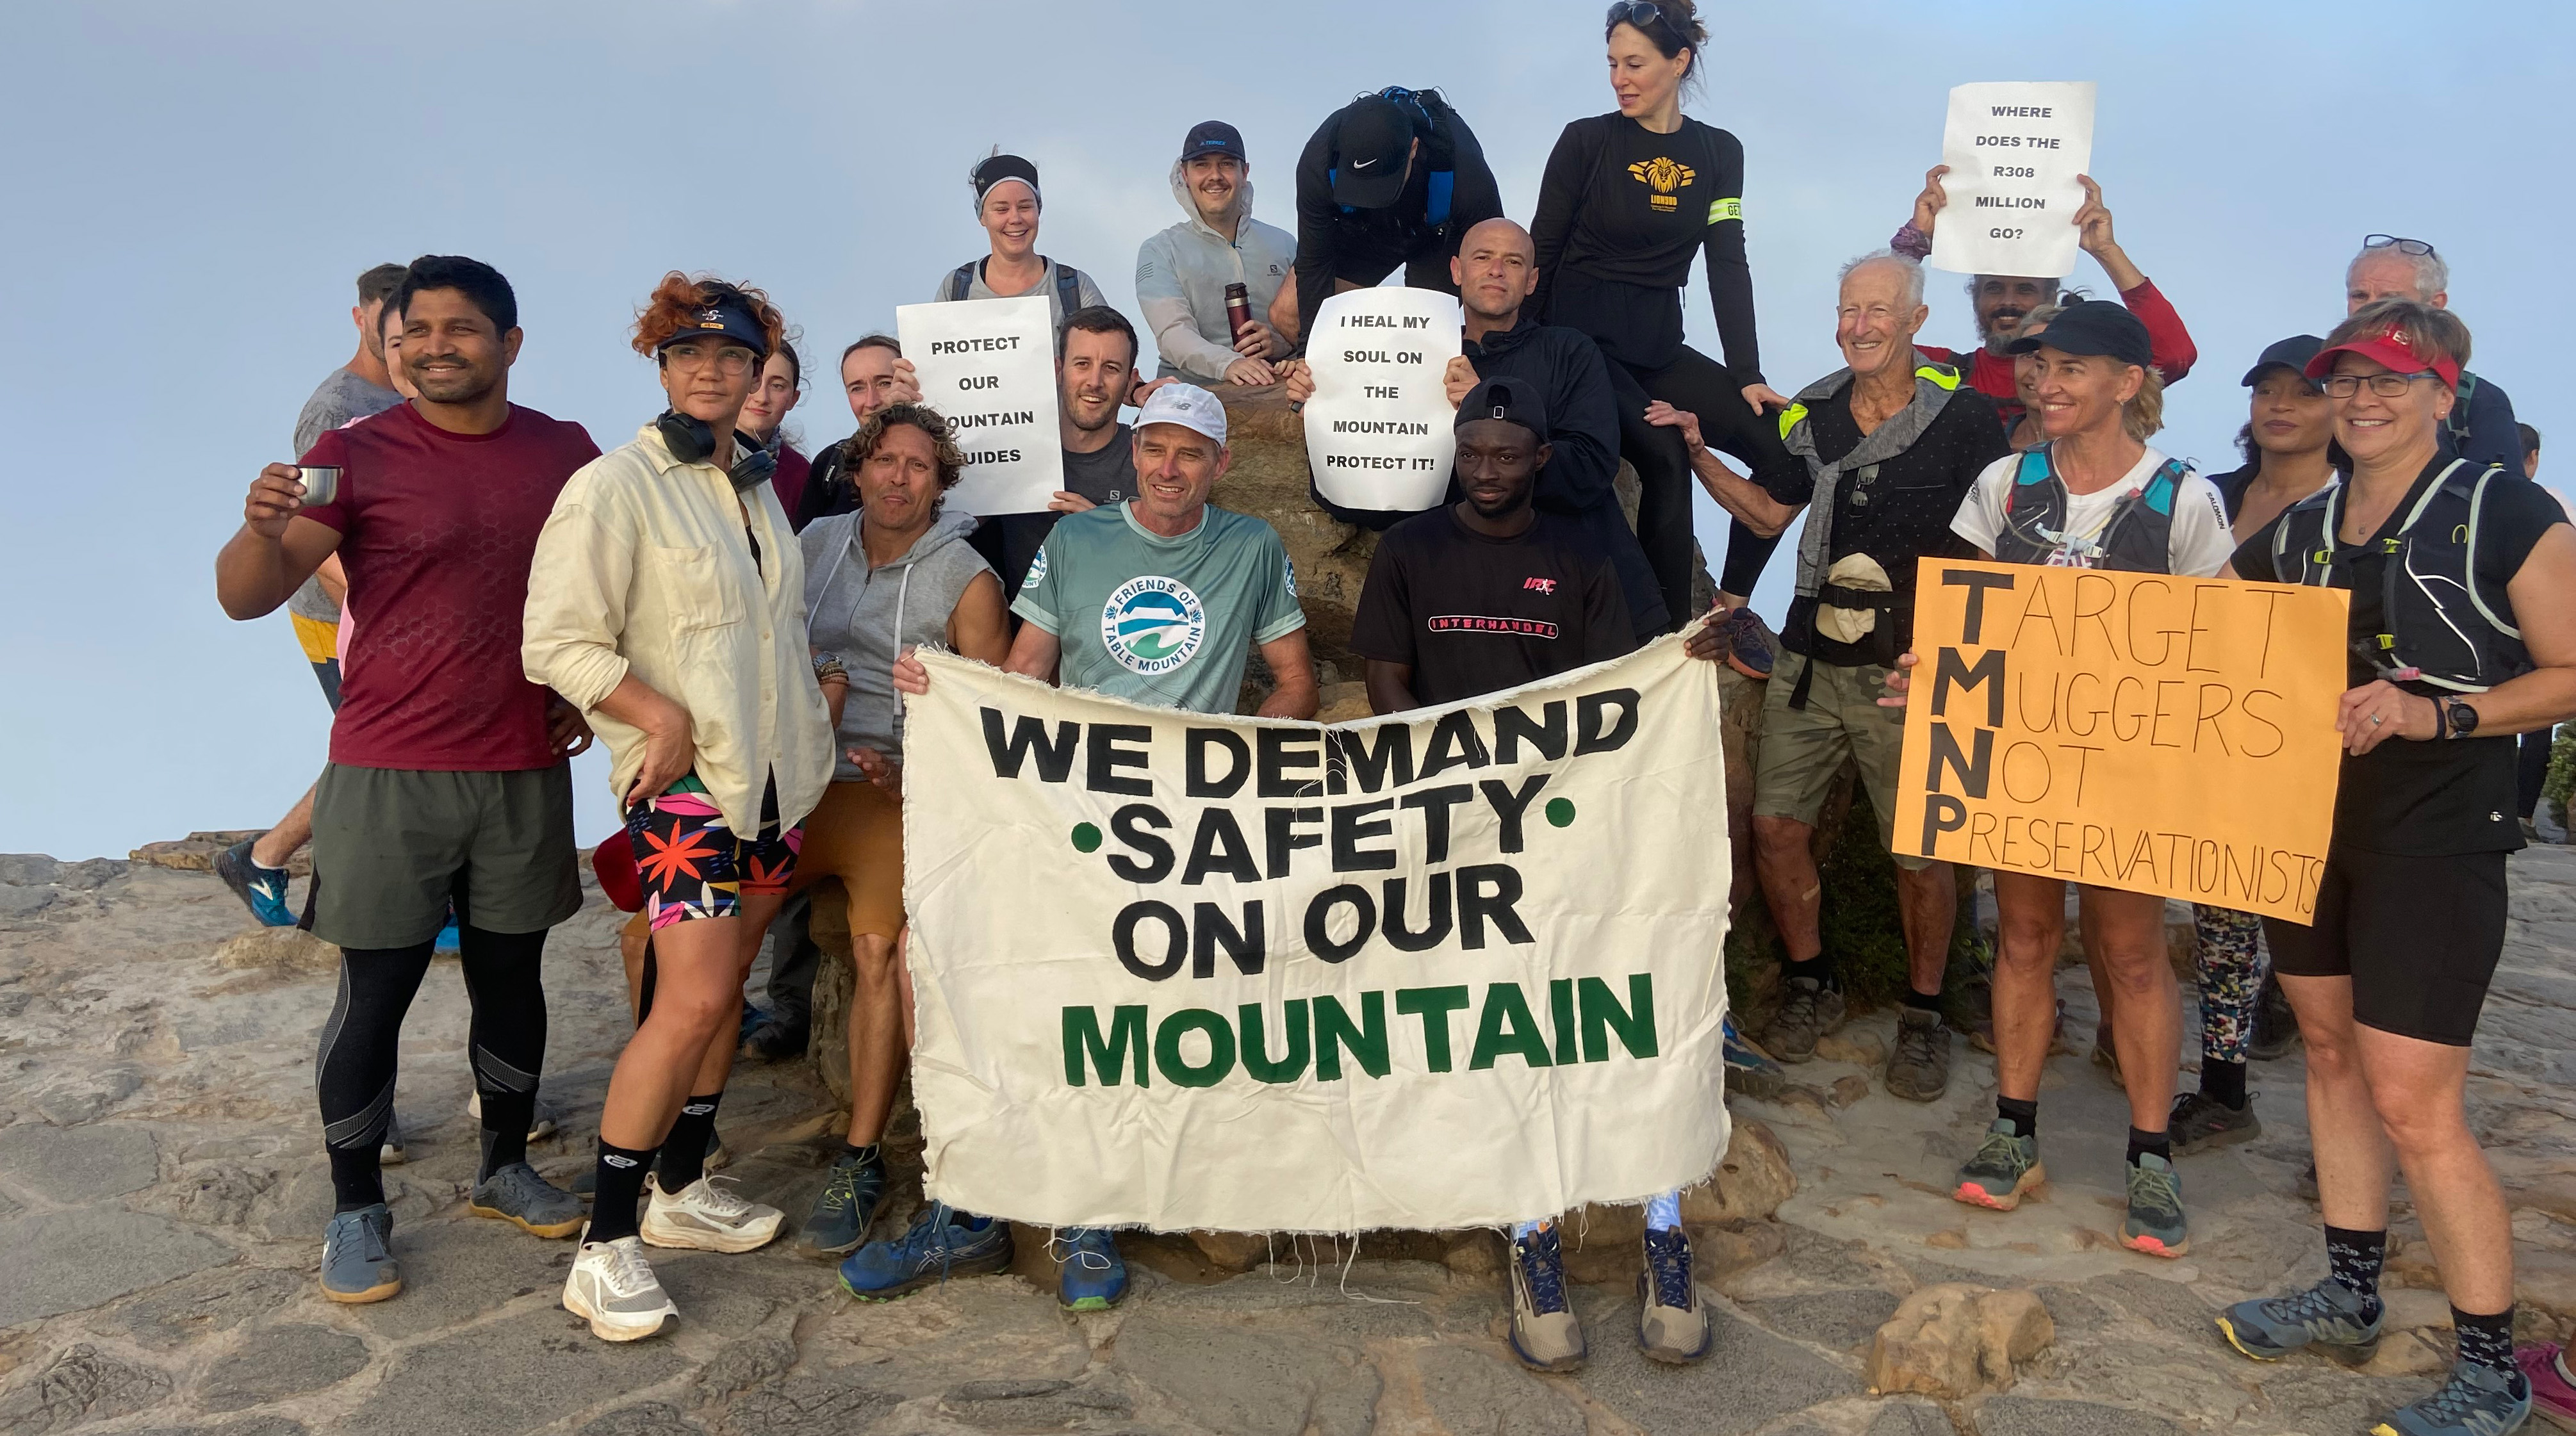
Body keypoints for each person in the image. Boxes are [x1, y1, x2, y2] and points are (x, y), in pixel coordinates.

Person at [846, 383, 1318, 1310]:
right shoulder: (1078, 541)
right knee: (930, 956)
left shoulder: (1251, 546)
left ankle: (1086, 1213)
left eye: (1190, 453)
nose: (1169, 469)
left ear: (1221, 465)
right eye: (1156, 450)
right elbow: (1027, 668)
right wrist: (952, 693)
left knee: (1115, 987)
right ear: (1133, 454)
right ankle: (966, 1199)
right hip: (1065, 799)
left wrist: (1239, 761)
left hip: (1184, 821)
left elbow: (1295, 679)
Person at [2213, 299, 2576, 1436]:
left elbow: (2569, 674)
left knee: (2417, 1103)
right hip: (2309, 824)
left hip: (2436, 829)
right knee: (2326, 1053)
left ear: (2444, 392)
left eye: (2390, 380)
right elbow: (2175, 631)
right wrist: (1983, 661)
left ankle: (2489, 1367)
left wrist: (2438, 716)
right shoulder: (2304, 524)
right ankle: (2350, 1291)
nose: (2363, 399)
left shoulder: (2501, 509)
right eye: (2347, 381)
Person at [213, 255, 600, 1305]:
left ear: (510, 344)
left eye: (462, 328)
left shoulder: (566, 453)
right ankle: (355, 1210)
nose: (436, 345)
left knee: (511, 982)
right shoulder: (353, 452)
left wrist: (588, 691)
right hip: (387, 768)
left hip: (520, 766)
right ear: (394, 339)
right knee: (374, 993)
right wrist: (257, 530)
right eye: (417, 328)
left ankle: (503, 1166)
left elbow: (609, 582)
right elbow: (247, 598)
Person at [1349, 375, 1710, 1369]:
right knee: (1496, 1025)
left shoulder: (1580, 549)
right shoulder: (1409, 549)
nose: (1489, 471)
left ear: (1541, 461)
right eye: (1474, 454)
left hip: (1564, 818)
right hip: (1448, 822)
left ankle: (1665, 1225)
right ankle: (1531, 1233)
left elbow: (1610, 688)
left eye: (1508, 455)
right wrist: (1435, 781)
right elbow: (1387, 675)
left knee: (1622, 1005)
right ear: (1455, 454)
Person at [1883, 301, 2235, 1259]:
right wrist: (1930, 667)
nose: (2044, 385)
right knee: (2027, 938)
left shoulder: (2184, 498)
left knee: (2130, 953)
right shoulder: (2006, 482)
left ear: (2129, 382)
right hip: (2020, 755)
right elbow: (1966, 612)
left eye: (2070, 369)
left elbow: (2226, 641)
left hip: (2129, 763)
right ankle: (2014, 1130)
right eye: (2037, 368)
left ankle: (2151, 1155)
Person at [523, 274, 836, 1342]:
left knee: (724, 985)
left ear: (758, 372)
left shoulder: (752, 490)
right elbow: (557, 642)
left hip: (776, 783)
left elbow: (763, 640)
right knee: (694, 1003)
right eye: (688, 349)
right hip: (686, 790)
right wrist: (652, 716)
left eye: (732, 351)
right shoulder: (614, 486)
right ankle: (604, 1243)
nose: (711, 365)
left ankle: (681, 1183)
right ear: (658, 365)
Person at [1657, 252, 2006, 1101]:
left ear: (1916, 323)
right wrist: (1699, 451)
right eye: (1848, 309)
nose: (1858, 325)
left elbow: (2000, 545)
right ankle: (1814, 979)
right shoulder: (1814, 410)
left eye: (1877, 310)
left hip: (1912, 669)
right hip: (1811, 660)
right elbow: (1770, 511)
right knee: (1777, 828)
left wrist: (1964, 656)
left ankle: (1924, 1012)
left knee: (1919, 853)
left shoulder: (1968, 422)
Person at [785, 404, 1012, 1271]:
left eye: (919, 466)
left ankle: (860, 1157)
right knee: (704, 923)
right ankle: (686, 1141)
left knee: (882, 949)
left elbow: (990, 718)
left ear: (941, 480)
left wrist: (914, 763)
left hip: (891, 790)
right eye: (884, 460)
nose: (898, 478)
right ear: (858, 467)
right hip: (799, 780)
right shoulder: (812, 545)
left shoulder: (966, 576)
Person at [1530, 0, 1800, 658]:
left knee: (1788, 451)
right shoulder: (1586, 140)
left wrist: (1748, 374)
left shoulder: (1716, 152)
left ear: (1678, 63)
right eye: (1613, 64)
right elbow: (1542, 248)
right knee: (1666, 452)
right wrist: (1520, 360)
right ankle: (1663, 640)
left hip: (1656, 344)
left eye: (1635, 64)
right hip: (1580, 346)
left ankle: (1729, 610)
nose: (1619, 78)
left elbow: (1726, 260)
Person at [1283, 216, 1666, 637]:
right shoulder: (1403, 360)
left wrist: (1487, 412)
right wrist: (1326, 415)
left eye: (1513, 262)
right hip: (1470, 608)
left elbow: (1590, 470)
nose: (1497, 270)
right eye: (1483, 257)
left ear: (1532, 280)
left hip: (1582, 597)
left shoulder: (1568, 351)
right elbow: (1360, 506)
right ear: (1456, 271)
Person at [2153, 336, 2344, 1154]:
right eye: (2265, 391)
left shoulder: (2362, 509)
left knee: (2330, 944)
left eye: (2300, 393)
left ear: (2339, 407)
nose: (2277, 406)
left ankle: (2359, 1129)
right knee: (2222, 923)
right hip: (2212, 742)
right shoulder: (2209, 497)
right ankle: (2224, 1088)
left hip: (2327, 752)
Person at [215, 261, 412, 928]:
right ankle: (268, 859)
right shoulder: (337, 411)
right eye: (392, 327)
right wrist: (383, 606)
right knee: (379, 745)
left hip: (405, 605)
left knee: (390, 741)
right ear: (362, 319)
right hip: (339, 612)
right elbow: (319, 532)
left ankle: (284, 869)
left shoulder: (416, 393)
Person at [1892, 167, 2199, 432]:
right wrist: (1912, 245)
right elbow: (1868, 336)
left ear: (2052, 297)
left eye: (2026, 289)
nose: (2008, 302)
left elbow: (2174, 356)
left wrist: (2106, 250)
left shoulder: (2094, 374)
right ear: (1975, 296)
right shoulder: (1943, 372)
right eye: (1994, 288)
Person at [1291, 86, 1504, 352]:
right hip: (1365, 230)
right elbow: (1314, 262)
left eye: (1380, 184)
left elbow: (1495, 263)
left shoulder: (1469, 177)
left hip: (1437, 238)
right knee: (1290, 316)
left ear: (1414, 148)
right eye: (1361, 185)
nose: (1371, 196)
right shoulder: (1318, 162)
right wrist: (1307, 355)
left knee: (1423, 341)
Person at [967, 306, 1147, 601]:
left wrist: (1107, 533)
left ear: (1131, 380)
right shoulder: (1014, 448)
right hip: (1015, 633)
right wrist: (904, 409)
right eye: (1082, 364)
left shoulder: (1149, 461)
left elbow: (1176, 567)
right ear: (1058, 370)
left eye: (1111, 368)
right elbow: (944, 527)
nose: (1095, 382)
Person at [1136, 121, 1295, 386]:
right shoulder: (1160, 249)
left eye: (1226, 164)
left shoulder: (1285, 244)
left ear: (1244, 173)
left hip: (1275, 394)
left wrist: (1278, 342)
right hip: (1190, 404)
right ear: (1185, 174)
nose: (1215, 176)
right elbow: (1173, 334)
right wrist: (1229, 363)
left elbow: (1311, 326)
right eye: (1201, 165)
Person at [2343, 236, 2520, 469]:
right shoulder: (2310, 380)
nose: (2371, 308)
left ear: (2435, 304)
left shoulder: (2479, 401)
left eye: (2390, 299)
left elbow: (2499, 499)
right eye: (2360, 296)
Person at [932, 153, 1107, 336]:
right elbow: (932, 357)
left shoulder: (1075, 289)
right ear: (982, 217)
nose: (1015, 219)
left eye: (1025, 207)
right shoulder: (956, 288)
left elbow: (1109, 355)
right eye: (1002, 209)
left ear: (1038, 210)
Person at [792, 336, 922, 529]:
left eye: (885, 383)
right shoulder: (830, 462)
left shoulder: (946, 458)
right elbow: (802, 547)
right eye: (857, 388)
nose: (871, 401)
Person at [738, 338, 813, 526]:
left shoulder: (799, 473)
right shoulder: (692, 453)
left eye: (777, 386)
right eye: (753, 380)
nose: (762, 398)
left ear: (793, 399)